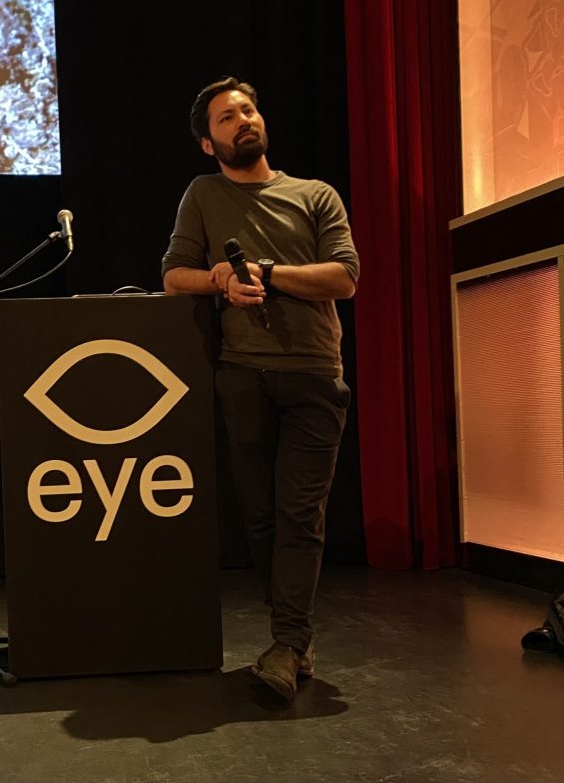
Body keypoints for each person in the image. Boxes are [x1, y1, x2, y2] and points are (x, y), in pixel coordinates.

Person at [162, 76, 359, 702]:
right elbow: (173, 276)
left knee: (300, 515)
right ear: (207, 141)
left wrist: (268, 273)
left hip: (313, 375)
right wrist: (220, 277)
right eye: (226, 117)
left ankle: (285, 642)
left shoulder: (314, 195)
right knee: (260, 518)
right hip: (241, 375)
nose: (242, 120)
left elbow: (345, 278)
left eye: (248, 110)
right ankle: (294, 640)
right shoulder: (203, 193)